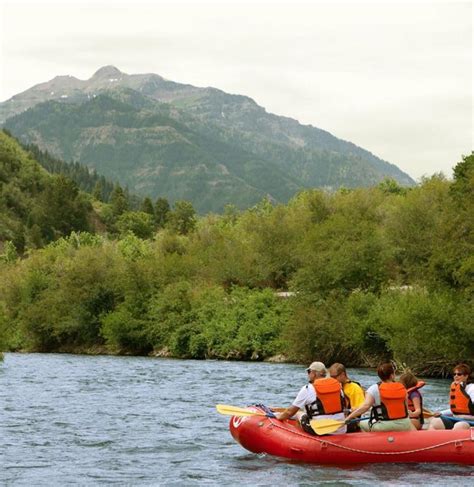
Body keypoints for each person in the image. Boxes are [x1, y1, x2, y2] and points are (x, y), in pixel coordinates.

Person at [276, 361, 347, 435]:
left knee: (298, 413)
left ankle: (299, 438)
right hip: (340, 429)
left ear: (314, 373)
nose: (308, 374)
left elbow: (289, 412)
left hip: (320, 430)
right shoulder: (338, 387)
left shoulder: (307, 389)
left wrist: (278, 417)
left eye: (309, 372)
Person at [344, 362, 414, 432]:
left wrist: (349, 417)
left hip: (385, 426)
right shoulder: (402, 388)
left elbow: (365, 406)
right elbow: (405, 407)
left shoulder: (373, 389)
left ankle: (371, 441)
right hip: (405, 424)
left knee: (362, 423)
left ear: (379, 375)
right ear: (392, 375)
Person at [429, 363, 474, 431]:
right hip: (455, 418)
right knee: (435, 421)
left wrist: (466, 418)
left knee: (459, 426)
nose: (456, 376)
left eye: (459, 374)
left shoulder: (472, 388)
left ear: (466, 376)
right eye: (454, 374)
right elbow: (457, 409)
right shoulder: (456, 388)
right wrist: (441, 413)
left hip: (470, 421)